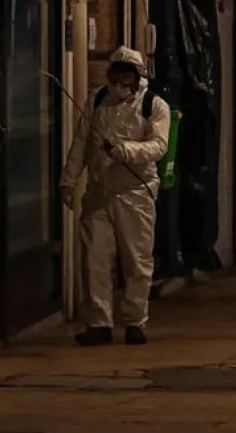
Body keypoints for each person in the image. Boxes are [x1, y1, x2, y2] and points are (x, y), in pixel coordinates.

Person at [59, 47, 171, 346]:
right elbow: (81, 143)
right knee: (95, 259)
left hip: (135, 194)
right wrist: (68, 180)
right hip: (99, 193)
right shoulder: (96, 101)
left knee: (137, 261)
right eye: (115, 77)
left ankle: (135, 321)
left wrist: (126, 150)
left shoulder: (154, 106)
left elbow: (158, 146)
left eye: (126, 78)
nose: (120, 85)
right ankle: (99, 322)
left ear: (137, 78)